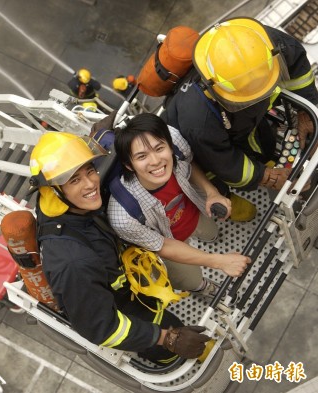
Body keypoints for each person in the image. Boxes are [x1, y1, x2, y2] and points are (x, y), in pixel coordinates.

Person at [29, 131, 211, 364]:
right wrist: (167, 338)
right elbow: (102, 328)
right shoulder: (72, 262)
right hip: (134, 319)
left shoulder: (60, 206)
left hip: (133, 292)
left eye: (90, 170)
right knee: (182, 353)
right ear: (52, 190)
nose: (91, 183)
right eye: (74, 180)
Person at [162, 17, 318, 222]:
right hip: (200, 154)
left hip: (242, 123)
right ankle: (229, 199)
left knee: (262, 142)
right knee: (225, 189)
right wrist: (268, 178)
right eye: (250, 95)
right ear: (214, 87)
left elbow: (297, 65)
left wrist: (306, 113)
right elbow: (224, 163)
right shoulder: (198, 121)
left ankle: (263, 161)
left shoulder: (259, 41)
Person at [107, 113, 251, 294]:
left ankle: (212, 238)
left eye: (159, 148)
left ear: (168, 144)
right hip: (169, 241)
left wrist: (212, 193)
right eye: (142, 156)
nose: (156, 161)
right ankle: (204, 288)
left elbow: (188, 165)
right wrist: (219, 261)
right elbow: (163, 245)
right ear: (129, 165)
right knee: (190, 279)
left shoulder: (174, 139)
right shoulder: (123, 216)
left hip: (194, 211)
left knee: (210, 231)